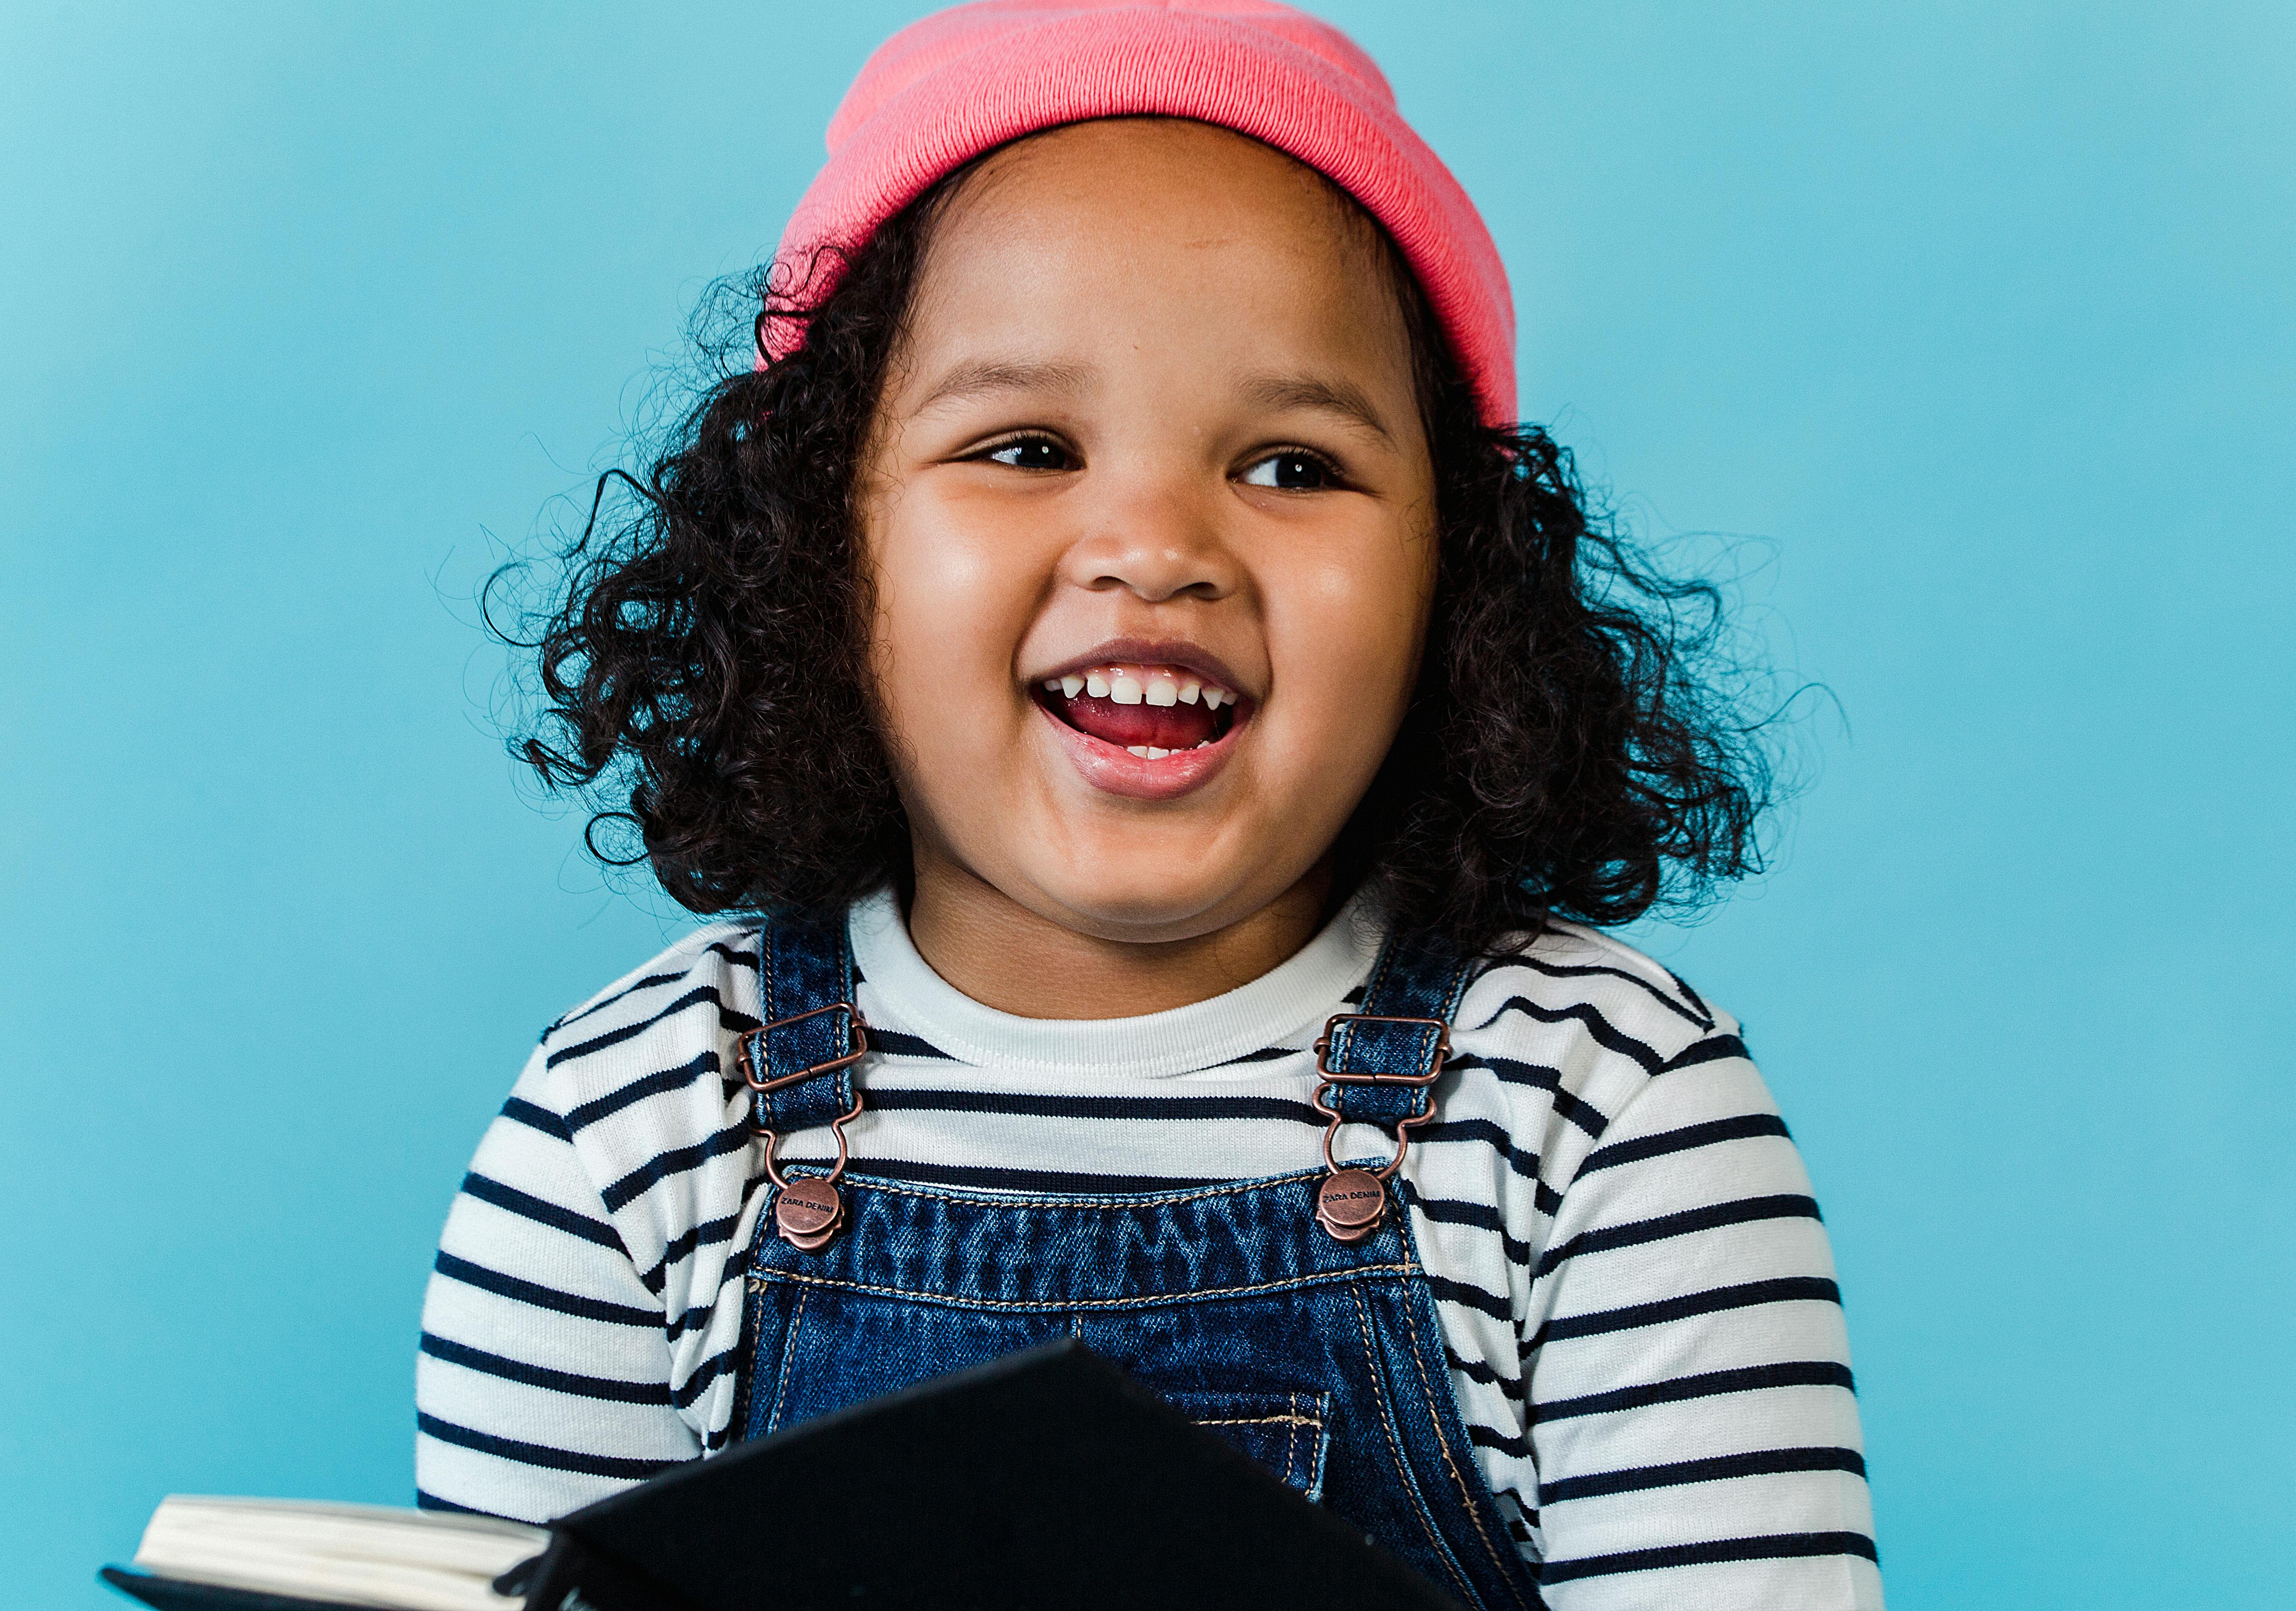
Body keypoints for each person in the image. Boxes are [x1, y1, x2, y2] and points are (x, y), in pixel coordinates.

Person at [415, 3, 1881, 1605]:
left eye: (1293, 466)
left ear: (1454, 582)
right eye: (1027, 444)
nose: (1156, 542)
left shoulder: (1601, 1118)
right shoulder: (630, 1130)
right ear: (818, 546)